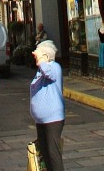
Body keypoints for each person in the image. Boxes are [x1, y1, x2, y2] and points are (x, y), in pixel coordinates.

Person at [30, 40, 64, 171]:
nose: (35, 55)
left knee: (53, 152)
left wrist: (41, 58)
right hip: (41, 120)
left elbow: (47, 72)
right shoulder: (41, 69)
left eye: (38, 53)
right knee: (45, 153)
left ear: (45, 55)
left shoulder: (54, 67)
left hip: (53, 119)